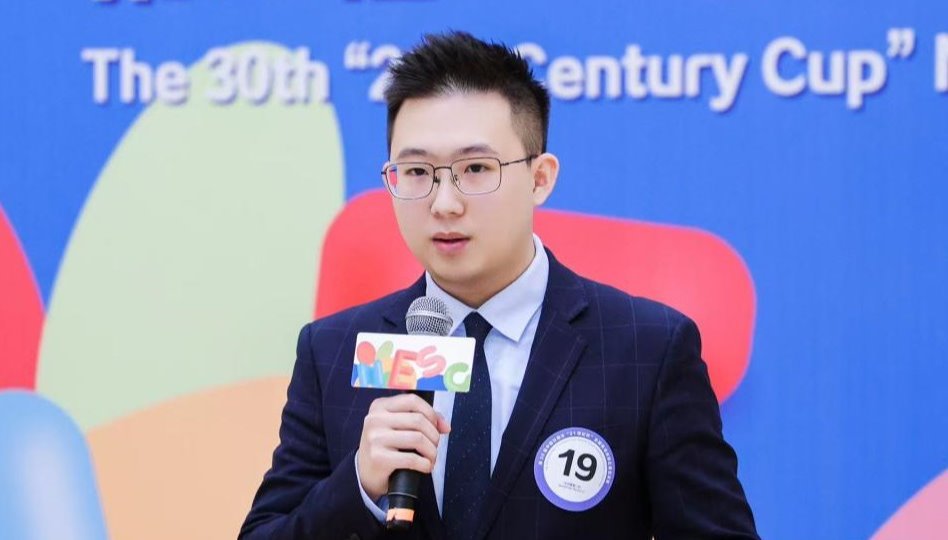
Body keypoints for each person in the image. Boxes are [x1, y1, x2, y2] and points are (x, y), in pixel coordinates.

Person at [240, 31, 758, 540]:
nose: (444, 203)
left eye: (475, 168)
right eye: (416, 171)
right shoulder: (334, 351)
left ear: (540, 178)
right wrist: (356, 487)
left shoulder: (647, 350)